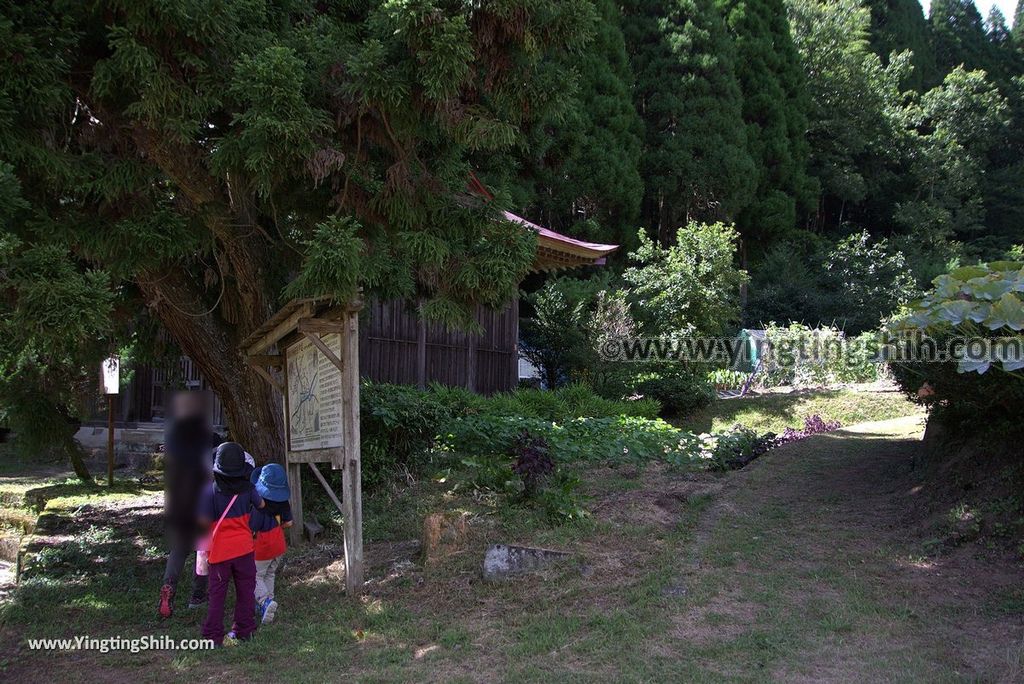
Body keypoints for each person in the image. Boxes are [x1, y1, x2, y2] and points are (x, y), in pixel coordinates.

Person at [159, 391, 220, 618]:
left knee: (179, 548)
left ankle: (169, 585)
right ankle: (197, 596)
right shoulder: (212, 440)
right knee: (203, 550)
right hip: (204, 501)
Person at [198, 442, 264, 647]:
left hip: (220, 553)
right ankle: (245, 630)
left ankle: (213, 636)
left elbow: (202, 521)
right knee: (246, 592)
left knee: (217, 596)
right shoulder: (249, 490)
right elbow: (261, 505)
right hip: (244, 549)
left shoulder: (209, 492)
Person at [249, 464, 293, 624]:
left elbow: (252, 528)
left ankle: (264, 601)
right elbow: (289, 523)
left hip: (263, 546)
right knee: (270, 573)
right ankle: (269, 603)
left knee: (255, 576)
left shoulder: (258, 507)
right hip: (278, 543)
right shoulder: (284, 504)